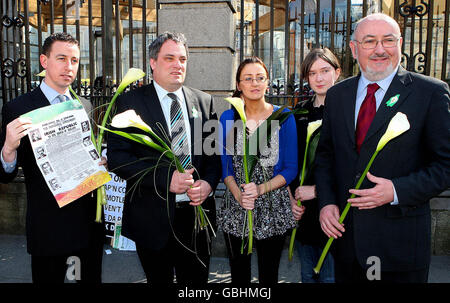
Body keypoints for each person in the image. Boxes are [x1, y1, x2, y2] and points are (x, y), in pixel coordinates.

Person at [315, 13, 450, 283]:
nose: (380, 49)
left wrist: (397, 190)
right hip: (346, 245)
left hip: (399, 248)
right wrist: (327, 203)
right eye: (369, 41)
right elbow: (326, 157)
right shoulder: (337, 96)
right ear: (354, 49)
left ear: (400, 43)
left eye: (388, 40)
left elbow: (445, 166)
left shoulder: (430, 93)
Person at [106, 32, 221, 284]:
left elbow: (213, 157)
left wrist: (209, 184)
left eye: (182, 59)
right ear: (153, 62)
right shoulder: (129, 102)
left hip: (196, 219)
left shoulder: (204, 102)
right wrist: (165, 179)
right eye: (169, 58)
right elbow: (118, 158)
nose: (178, 65)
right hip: (152, 219)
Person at [0, 33, 105, 283]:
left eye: (74, 61)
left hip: (87, 225)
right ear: (44, 61)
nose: (69, 67)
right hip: (48, 227)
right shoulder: (18, 108)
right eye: (61, 58)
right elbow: (5, 173)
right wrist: (8, 149)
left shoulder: (85, 106)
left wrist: (99, 163)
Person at [218, 57, 298, 283]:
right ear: (238, 84)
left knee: (269, 275)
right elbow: (225, 167)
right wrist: (239, 195)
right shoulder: (228, 117)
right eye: (248, 78)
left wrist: (260, 189)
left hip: (273, 204)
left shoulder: (283, 117)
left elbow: (291, 168)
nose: (255, 83)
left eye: (260, 78)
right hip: (237, 204)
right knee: (239, 276)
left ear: (267, 83)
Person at [290, 48, 341, 283]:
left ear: (337, 72)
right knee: (307, 275)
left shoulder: (347, 112)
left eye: (325, 71)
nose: (319, 78)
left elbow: (351, 165)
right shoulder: (298, 112)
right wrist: (291, 198)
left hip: (335, 209)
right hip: (302, 210)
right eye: (312, 73)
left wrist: (319, 191)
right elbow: (290, 160)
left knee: (330, 275)